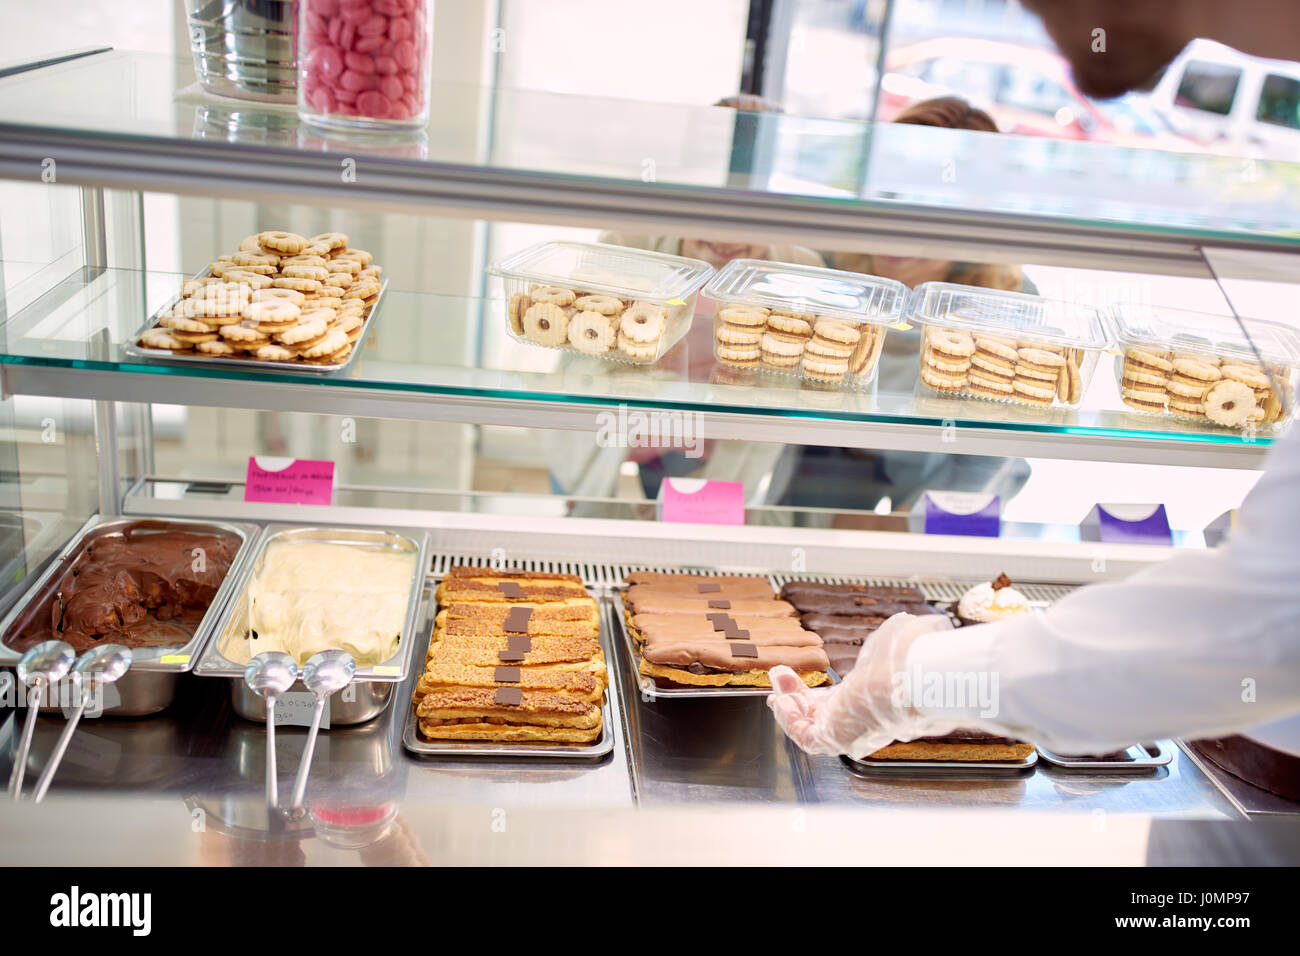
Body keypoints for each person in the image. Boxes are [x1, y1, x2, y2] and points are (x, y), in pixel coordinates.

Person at [769, 0, 1300, 757]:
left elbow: (1266, 626)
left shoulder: (1010, 310)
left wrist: (919, 679)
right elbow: (1257, 623)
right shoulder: (824, 286)